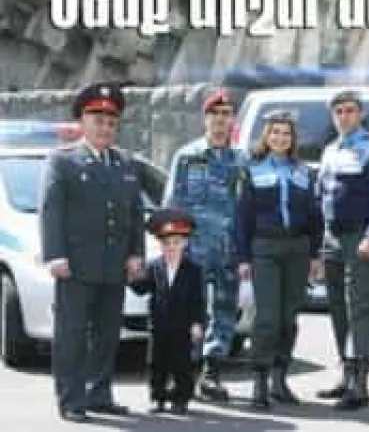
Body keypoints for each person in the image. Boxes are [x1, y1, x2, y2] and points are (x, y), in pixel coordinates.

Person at [39, 81, 145, 422]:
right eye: (98, 120)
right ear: (82, 122)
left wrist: (136, 253)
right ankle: (71, 399)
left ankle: (99, 394)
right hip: (76, 265)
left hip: (113, 264)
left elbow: (134, 214)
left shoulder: (125, 163)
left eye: (111, 122)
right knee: (71, 335)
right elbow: (51, 210)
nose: (105, 128)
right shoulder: (63, 160)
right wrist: (55, 255)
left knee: (107, 334)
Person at [162, 85, 250, 401]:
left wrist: (245, 251)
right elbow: (171, 203)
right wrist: (172, 246)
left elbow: (247, 209)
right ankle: (183, 372)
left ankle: (212, 372)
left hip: (227, 250)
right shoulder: (187, 156)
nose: (220, 120)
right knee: (187, 312)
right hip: (193, 249)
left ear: (233, 119)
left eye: (226, 114)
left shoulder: (241, 160)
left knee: (224, 311)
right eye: (215, 113)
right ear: (205, 118)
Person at [234, 110, 324, 410]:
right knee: (268, 318)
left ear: (292, 139)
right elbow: (243, 217)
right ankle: (259, 381)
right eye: (275, 132)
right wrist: (243, 257)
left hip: (297, 248)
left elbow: (315, 216)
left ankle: (279, 380)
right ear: (267, 136)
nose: (280, 138)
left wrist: (315, 254)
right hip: (265, 248)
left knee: (288, 318)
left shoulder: (304, 172)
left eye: (286, 133)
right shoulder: (252, 169)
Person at [316, 90, 369, 410]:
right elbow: (321, 194)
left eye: (350, 110)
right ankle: (345, 372)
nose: (344, 116)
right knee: (337, 306)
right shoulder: (330, 149)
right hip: (332, 237)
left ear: (361, 114)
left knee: (360, 305)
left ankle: (360, 381)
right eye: (338, 111)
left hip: (359, 238)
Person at [130, 208, 205, 415]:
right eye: (166, 243)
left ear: (184, 243)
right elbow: (142, 288)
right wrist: (132, 277)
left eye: (176, 243)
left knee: (181, 363)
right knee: (157, 363)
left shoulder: (193, 270)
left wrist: (197, 323)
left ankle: (181, 398)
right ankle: (158, 397)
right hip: (159, 325)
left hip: (182, 326)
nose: (171, 247)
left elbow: (198, 300)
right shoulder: (154, 266)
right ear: (160, 245)